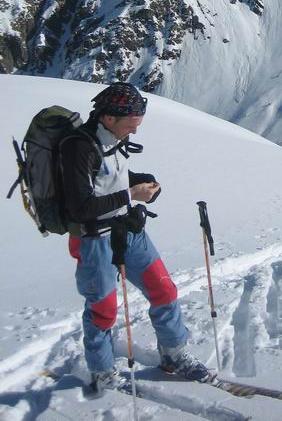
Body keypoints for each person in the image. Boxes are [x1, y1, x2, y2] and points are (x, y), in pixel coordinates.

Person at [61, 82, 211, 393]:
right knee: (103, 310)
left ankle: (173, 355)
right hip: (94, 241)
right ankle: (102, 371)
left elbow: (111, 176)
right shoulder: (78, 147)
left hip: (128, 231)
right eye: (132, 124)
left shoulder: (115, 138)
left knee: (164, 290)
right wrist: (131, 194)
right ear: (109, 118)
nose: (136, 132)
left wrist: (142, 185)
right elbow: (81, 206)